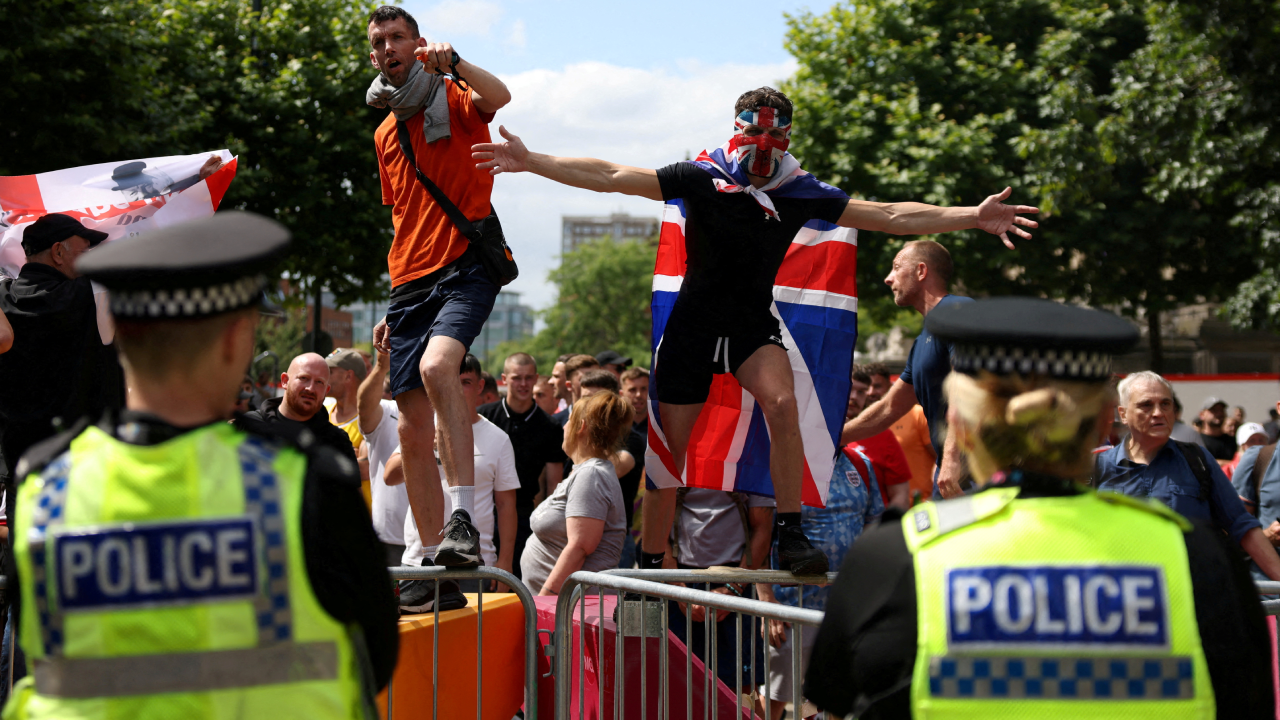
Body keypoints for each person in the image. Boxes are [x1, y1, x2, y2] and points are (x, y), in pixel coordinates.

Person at [473, 87, 1037, 574]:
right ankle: (650, 558)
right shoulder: (699, 177)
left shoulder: (799, 190)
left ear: (786, 142)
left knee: (783, 402)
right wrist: (533, 160)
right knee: (671, 449)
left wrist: (971, 215)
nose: (764, 158)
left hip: (750, 326)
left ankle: (791, 531)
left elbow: (888, 214)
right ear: (737, 135)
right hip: (693, 327)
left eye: (776, 147)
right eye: (755, 145)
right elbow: (614, 176)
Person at [7, 212, 398, 717]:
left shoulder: (43, 484)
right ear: (235, 340)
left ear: (121, 335)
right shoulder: (304, 479)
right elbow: (376, 655)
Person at [806, 297, 1273, 719]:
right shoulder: (1195, 555)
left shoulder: (899, 552)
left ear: (964, 424)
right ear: (1103, 423)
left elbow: (835, 691)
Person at [365, 4, 512, 581]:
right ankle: (430, 562)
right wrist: (392, 299)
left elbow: (499, 96)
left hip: (463, 265)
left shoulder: (452, 94)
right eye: (378, 41)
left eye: (397, 37)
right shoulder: (383, 130)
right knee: (407, 424)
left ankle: (461, 522)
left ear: (417, 43)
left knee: (438, 367)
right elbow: (402, 212)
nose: (386, 47)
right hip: (408, 281)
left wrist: (457, 63)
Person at [1095, 371, 1280, 580]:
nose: (1158, 413)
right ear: (1123, 414)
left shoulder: (1197, 460)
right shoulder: (1098, 467)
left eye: (1165, 404)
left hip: (1192, 600)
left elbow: (1241, 524)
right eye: (1146, 405)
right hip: (1122, 600)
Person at [0, 214, 122, 511]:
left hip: (22, 467)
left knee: (27, 556)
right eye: (85, 250)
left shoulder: (2, 297)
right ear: (58, 252)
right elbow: (149, 251)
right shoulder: (92, 295)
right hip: (85, 469)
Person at [759, 443, 884, 719]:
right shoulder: (783, 461)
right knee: (774, 699)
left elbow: (873, 526)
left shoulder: (861, 463)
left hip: (844, 613)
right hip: (790, 610)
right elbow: (759, 537)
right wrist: (767, 603)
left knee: (830, 700)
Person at [841, 241, 972, 501]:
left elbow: (968, 386)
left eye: (897, 267)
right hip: (953, 475)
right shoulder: (922, 340)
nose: (888, 279)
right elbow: (890, 407)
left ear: (921, 271)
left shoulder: (959, 310)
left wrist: (952, 459)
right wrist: (834, 438)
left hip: (978, 472)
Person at [399, 353, 519, 606]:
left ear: (480, 386)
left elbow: (507, 505)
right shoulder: (421, 429)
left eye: (464, 382)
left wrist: (505, 561)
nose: (454, 389)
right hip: (419, 557)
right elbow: (389, 476)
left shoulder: (498, 438)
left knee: (471, 641)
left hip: (471, 564)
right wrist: (427, 450)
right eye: (449, 381)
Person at [520, 391, 633, 595]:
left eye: (569, 421)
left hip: (574, 611)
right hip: (567, 608)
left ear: (581, 427)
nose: (564, 427)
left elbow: (580, 546)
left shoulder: (591, 474)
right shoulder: (586, 472)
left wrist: (547, 596)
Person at [477, 352, 566, 580]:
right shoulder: (484, 416)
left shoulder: (550, 426)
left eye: (528, 378)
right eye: (517, 378)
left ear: (536, 378)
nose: (523, 384)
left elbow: (553, 486)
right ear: (505, 379)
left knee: (515, 584)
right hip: (482, 512)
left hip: (523, 515)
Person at [235, 353, 359, 467]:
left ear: (326, 391)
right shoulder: (247, 428)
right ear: (285, 381)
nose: (310, 388)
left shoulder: (338, 442)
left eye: (319, 382)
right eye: (304, 378)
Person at [357, 344, 410, 565]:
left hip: (436, 544)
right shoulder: (387, 411)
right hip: (388, 542)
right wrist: (380, 367)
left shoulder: (447, 418)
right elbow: (364, 407)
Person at [847, 364, 911, 510]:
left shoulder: (882, 435)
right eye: (849, 388)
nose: (854, 397)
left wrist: (883, 529)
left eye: (861, 392)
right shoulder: (814, 431)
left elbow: (900, 495)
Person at [618, 366, 650, 566]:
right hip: (625, 519)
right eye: (632, 389)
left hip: (654, 518)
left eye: (644, 389)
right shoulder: (617, 432)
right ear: (622, 393)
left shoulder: (662, 427)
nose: (638, 395)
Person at [324, 347, 372, 482]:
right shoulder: (321, 413)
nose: (323, 377)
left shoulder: (371, 417)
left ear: (348, 376)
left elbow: (363, 469)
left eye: (329, 372)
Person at [1197, 397, 1237, 461]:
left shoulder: (1233, 441)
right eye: (1214, 410)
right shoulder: (1197, 441)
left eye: (1221, 410)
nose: (1219, 413)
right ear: (1202, 415)